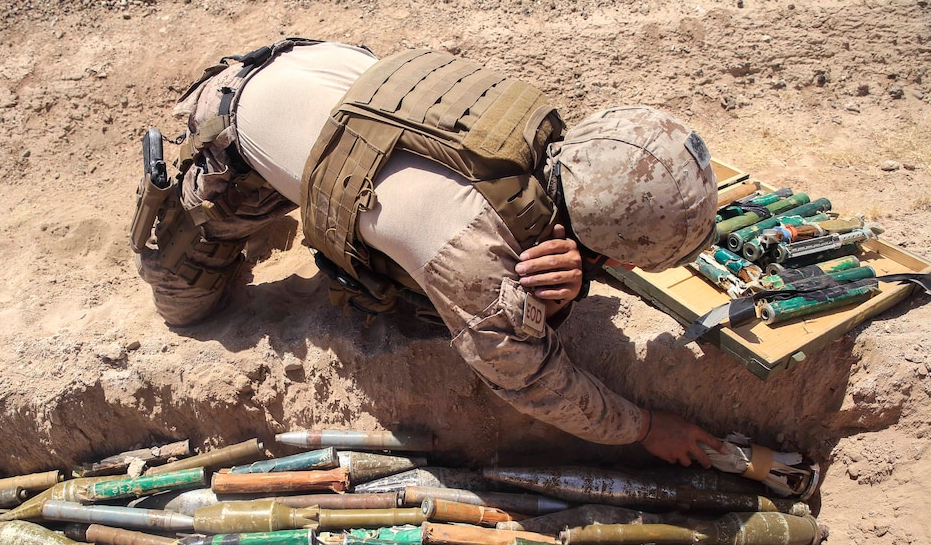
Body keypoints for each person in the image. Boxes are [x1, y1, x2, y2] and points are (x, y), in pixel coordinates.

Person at [132, 39, 725, 467]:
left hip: (325, 70)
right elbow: (534, 383)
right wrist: (645, 428)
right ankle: (238, 200)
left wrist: (569, 282)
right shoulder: (469, 253)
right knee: (186, 305)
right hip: (231, 123)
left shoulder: (539, 131)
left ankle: (295, 177)